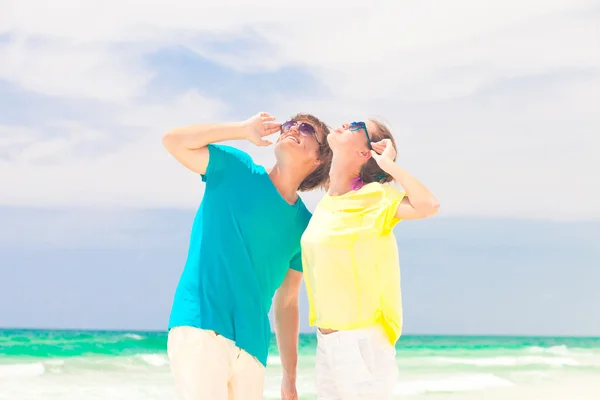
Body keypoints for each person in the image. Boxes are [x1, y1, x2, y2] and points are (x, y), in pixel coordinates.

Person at [162, 111, 332, 400]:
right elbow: (173, 141)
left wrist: (289, 377)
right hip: (200, 325)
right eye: (290, 125)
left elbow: (288, 301)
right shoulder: (234, 168)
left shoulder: (305, 227)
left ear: (318, 159)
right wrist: (242, 129)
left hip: (252, 346)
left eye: (306, 129)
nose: (293, 129)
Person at [300, 119, 440, 400]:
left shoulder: (378, 197)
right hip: (327, 339)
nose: (345, 123)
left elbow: (429, 206)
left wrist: (389, 166)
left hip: (362, 340)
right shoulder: (328, 202)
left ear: (367, 153)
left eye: (356, 125)